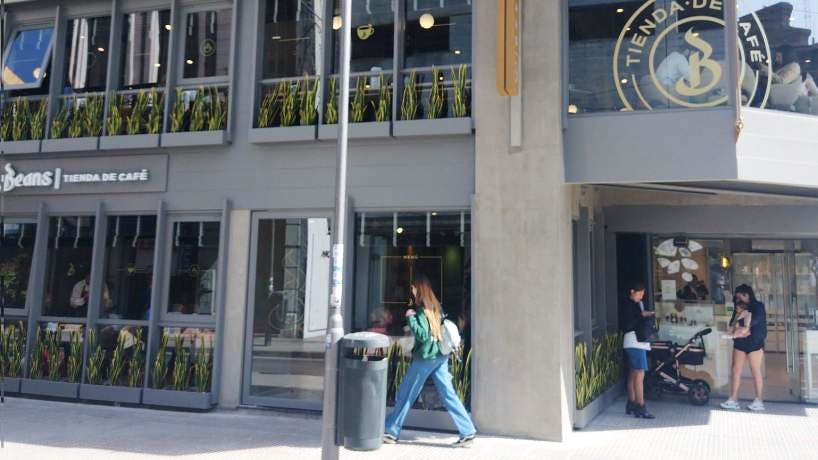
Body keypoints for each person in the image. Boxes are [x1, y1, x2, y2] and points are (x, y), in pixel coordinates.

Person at [383, 274, 477, 447]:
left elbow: (422, 335)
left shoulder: (420, 311)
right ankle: (468, 431)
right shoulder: (436, 307)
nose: (411, 291)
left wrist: (410, 317)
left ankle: (391, 431)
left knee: (406, 393)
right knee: (449, 394)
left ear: (419, 289)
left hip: (425, 358)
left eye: (413, 288)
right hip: (440, 357)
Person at [720, 284, 767, 411]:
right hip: (740, 342)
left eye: (740, 297)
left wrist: (741, 324)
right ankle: (733, 399)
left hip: (755, 343)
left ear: (747, 295)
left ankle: (759, 400)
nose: (738, 300)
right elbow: (732, 322)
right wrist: (736, 321)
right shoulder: (739, 306)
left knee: (755, 371)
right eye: (737, 298)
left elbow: (755, 321)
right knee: (735, 370)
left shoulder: (758, 306)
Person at [620, 282, 655, 419]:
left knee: (633, 373)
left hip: (634, 342)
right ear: (632, 291)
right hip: (635, 341)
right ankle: (640, 406)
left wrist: (643, 314)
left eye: (642, 294)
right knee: (640, 374)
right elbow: (629, 323)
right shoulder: (629, 305)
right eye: (639, 294)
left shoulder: (635, 304)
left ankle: (631, 403)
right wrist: (643, 316)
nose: (641, 297)